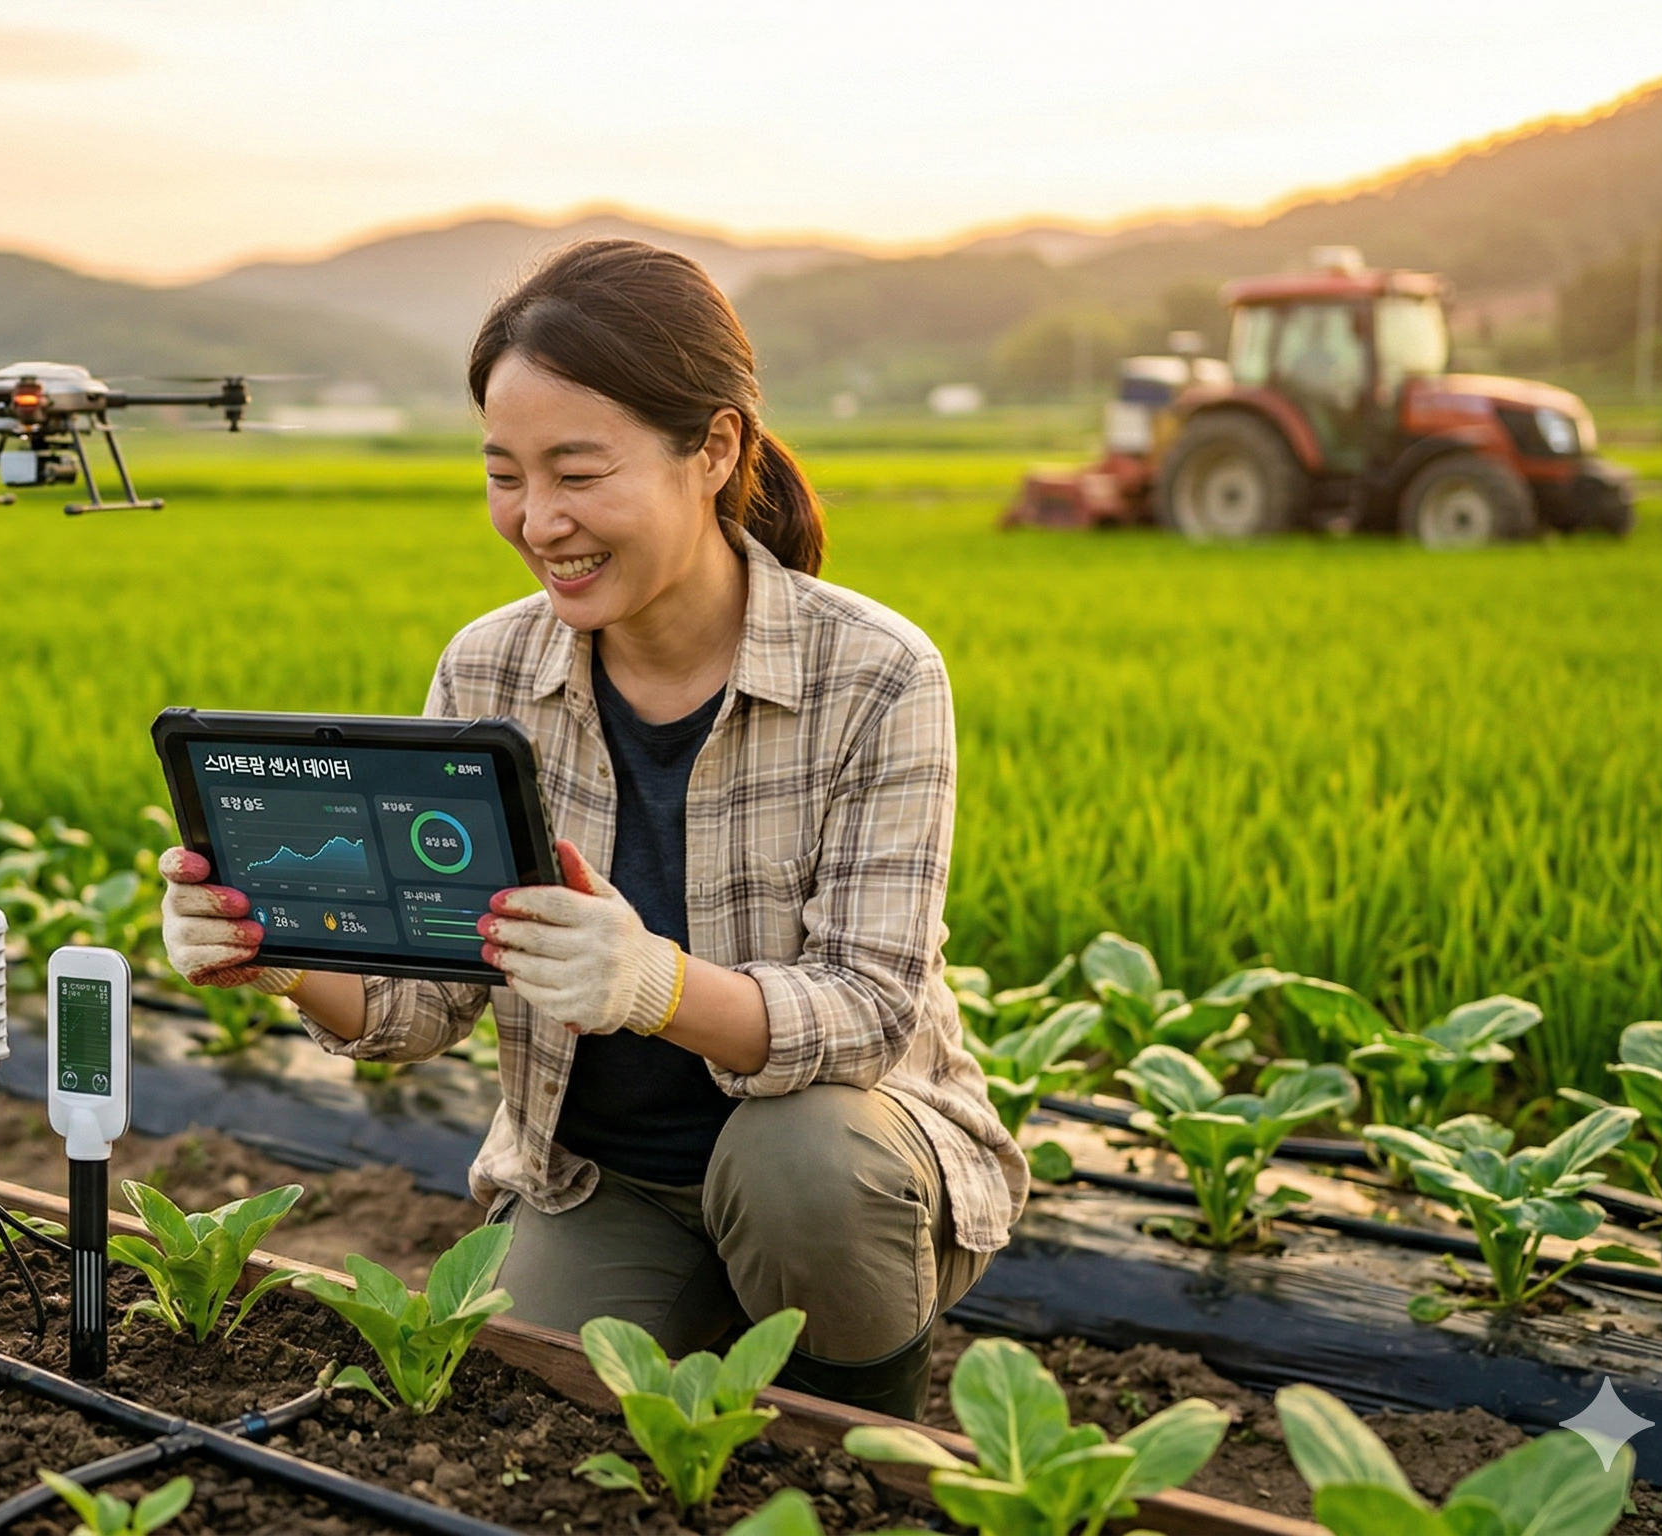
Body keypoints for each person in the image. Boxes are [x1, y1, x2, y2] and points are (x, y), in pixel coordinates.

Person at [156, 238, 1022, 1420]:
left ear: (713, 450)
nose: (536, 519)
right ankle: (698, 1309)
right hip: (600, 1180)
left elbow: (869, 1014)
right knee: (512, 1410)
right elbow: (424, 1002)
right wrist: (284, 955)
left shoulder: (872, 674)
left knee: (798, 1164)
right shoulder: (488, 666)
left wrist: (653, 985)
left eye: (577, 472)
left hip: (839, 1162)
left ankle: (858, 1436)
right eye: (503, 474)